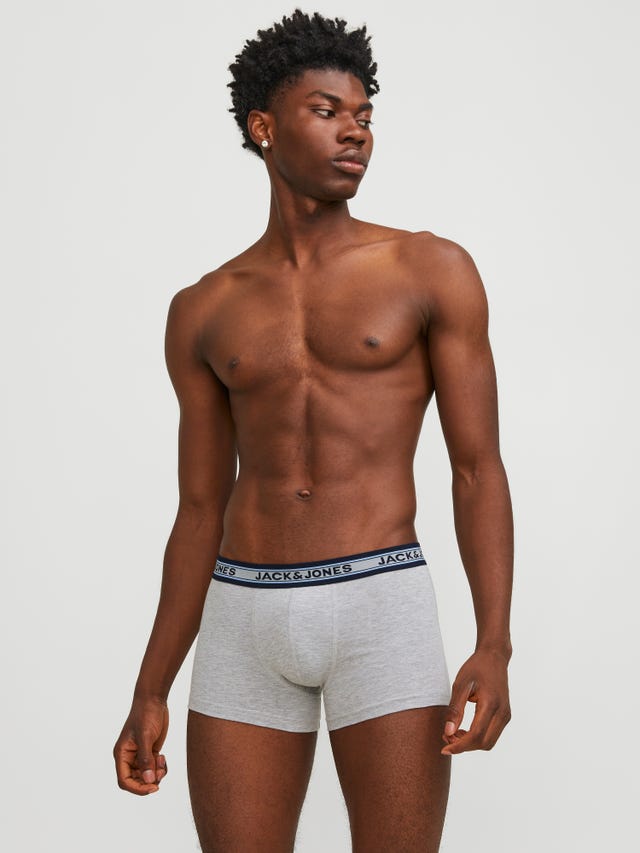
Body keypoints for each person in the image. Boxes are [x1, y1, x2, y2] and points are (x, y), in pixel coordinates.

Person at [113, 9, 513, 852]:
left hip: (381, 605)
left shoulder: (429, 268)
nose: (355, 132)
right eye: (328, 111)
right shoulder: (203, 309)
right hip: (242, 617)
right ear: (264, 127)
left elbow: (477, 468)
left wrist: (494, 642)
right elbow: (198, 509)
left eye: (364, 115)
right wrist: (152, 686)